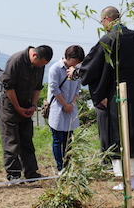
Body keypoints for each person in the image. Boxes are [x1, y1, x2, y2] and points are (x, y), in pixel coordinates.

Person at [71, 6, 134, 190]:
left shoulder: (109, 38)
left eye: (102, 22)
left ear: (107, 20)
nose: (102, 26)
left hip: (120, 94)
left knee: (124, 134)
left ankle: (130, 180)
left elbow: (93, 66)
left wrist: (77, 71)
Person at [0, 45, 53, 182]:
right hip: (10, 106)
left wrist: (33, 105)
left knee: (27, 140)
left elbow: (37, 87)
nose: (40, 66)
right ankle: (13, 174)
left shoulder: (40, 64)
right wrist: (17, 107)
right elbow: (8, 86)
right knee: (11, 140)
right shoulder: (16, 61)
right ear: (34, 55)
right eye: (40, 64)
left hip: (27, 105)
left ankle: (31, 172)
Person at [47, 45, 85, 175]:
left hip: (70, 108)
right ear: (68, 58)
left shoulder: (76, 70)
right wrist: (65, 105)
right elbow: (54, 89)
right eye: (75, 61)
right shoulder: (55, 69)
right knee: (58, 139)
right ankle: (60, 167)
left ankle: (68, 166)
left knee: (69, 140)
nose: (76, 64)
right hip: (58, 108)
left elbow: (77, 87)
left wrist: (72, 103)